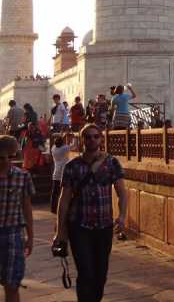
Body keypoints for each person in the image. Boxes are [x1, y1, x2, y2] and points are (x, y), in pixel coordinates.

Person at [54, 124, 127, 302]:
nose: (92, 140)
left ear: (101, 139)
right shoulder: (72, 166)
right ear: (82, 140)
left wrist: (123, 216)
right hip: (79, 225)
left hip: (103, 225)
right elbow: (64, 200)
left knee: (100, 274)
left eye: (95, 136)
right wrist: (60, 231)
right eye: (88, 137)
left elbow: (122, 192)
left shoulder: (111, 163)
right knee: (86, 272)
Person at [0, 135, 34, 302]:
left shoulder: (22, 176)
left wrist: (31, 237)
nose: (7, 161)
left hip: (14, 234)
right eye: (2, 157)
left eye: (11, 156)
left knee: (12, 284)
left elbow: (27, 207)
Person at [49, 135, 73, 215]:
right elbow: (74, 145)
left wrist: (63, 135)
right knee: (63, 193)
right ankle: (62, 209)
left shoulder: (53, 148)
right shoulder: (64, 148)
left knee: (54, 192)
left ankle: (53, 208)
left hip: (56, 173)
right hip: (63, 173)